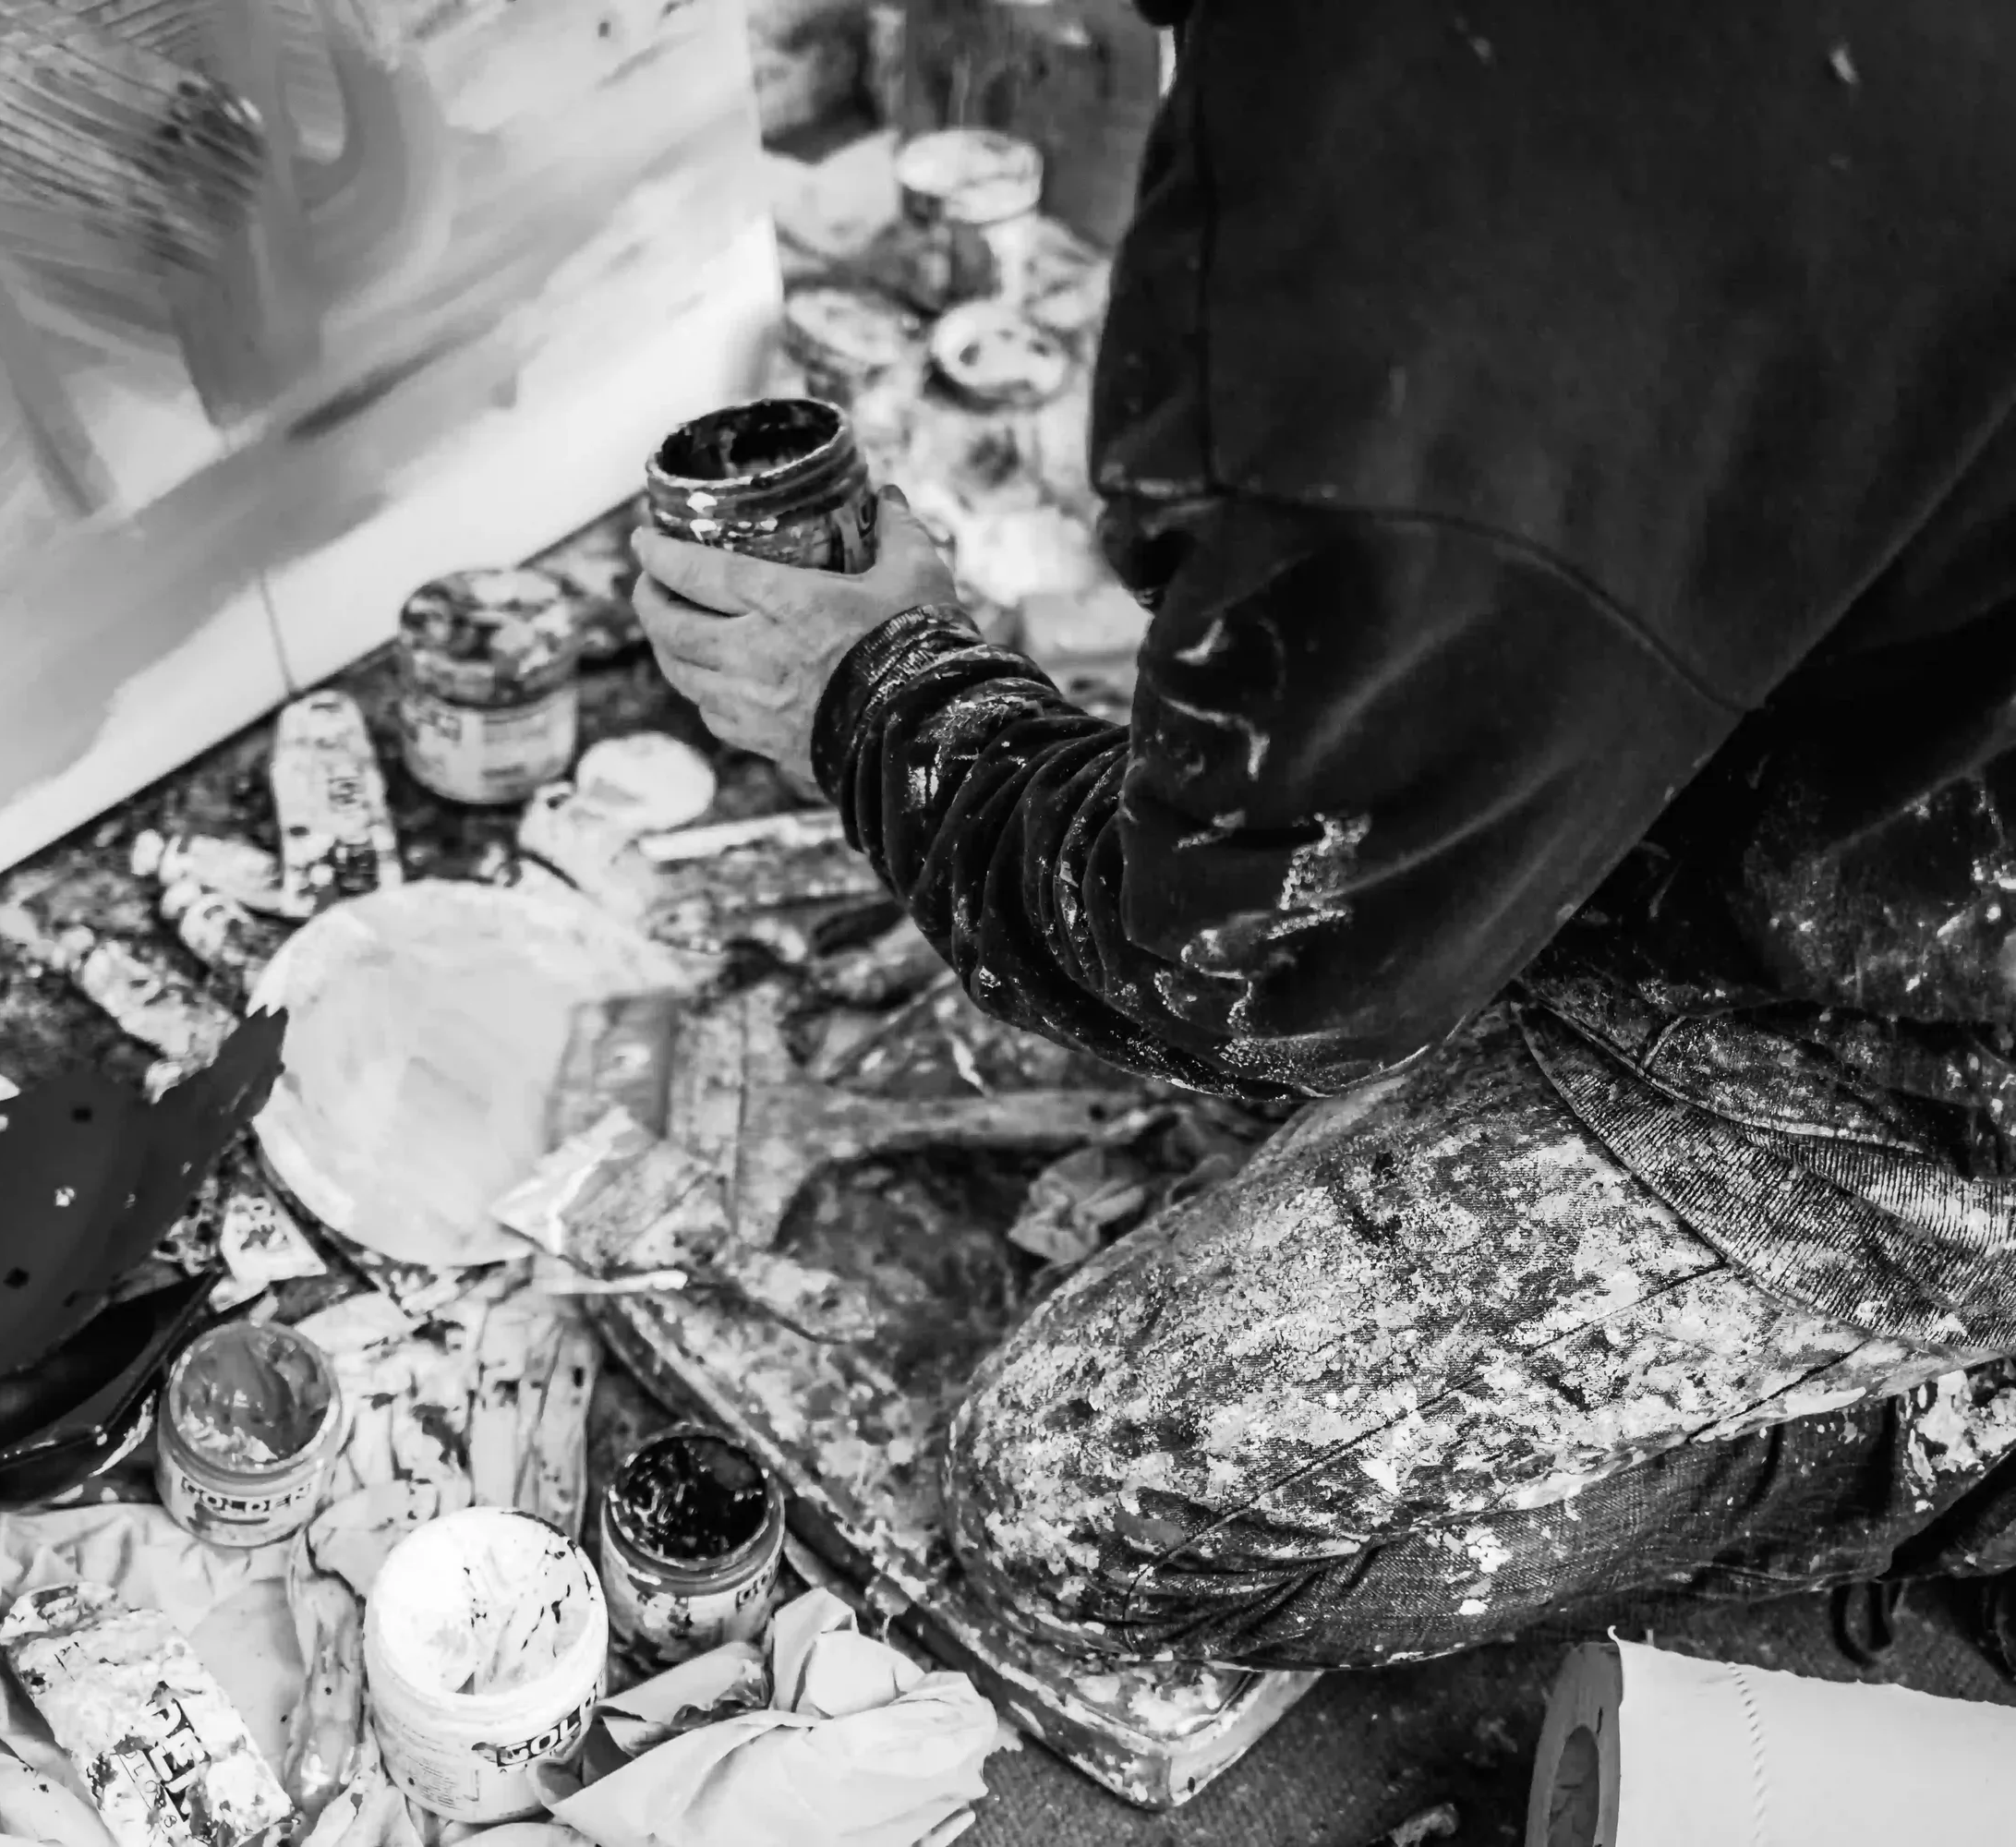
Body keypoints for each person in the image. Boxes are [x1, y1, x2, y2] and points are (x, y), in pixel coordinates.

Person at [630, 0, 2016, 1673]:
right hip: (1879, 715)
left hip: (1947, 1014)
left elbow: (1260, 961)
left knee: (1079, 1496)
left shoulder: (1388, 226)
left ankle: (1947, 1434)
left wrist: (874, 698)